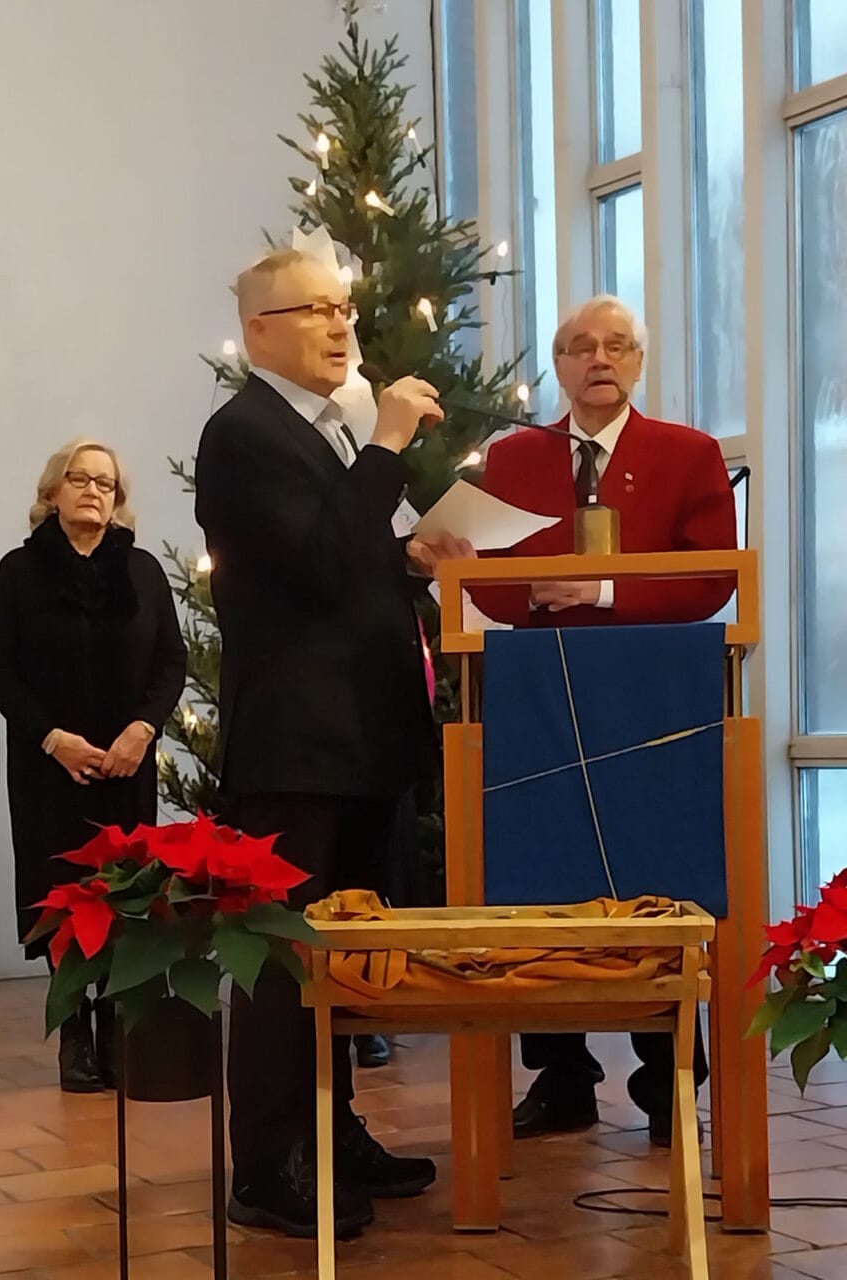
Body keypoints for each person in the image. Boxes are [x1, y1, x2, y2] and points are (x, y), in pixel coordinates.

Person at [195, 249, 457, 1240]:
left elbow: (348, 559)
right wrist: (386, 443)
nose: (342, 324)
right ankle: (268, 1165)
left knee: (345, 951)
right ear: (259, 330)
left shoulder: (326, 431)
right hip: (296, 744)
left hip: (360, 736)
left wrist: (410, 557)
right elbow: (310, 563)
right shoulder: (242, 434)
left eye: (345, 307)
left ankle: (333, 1131)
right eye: (316, 309)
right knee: (281, 958)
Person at [461, 295, 737, 1147]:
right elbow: (486, 580)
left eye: (618, 345)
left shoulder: (688, 454)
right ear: (560, 365)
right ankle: (561, 1075)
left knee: (655, 876)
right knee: (546, 875)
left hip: (655, 697)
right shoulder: (513, 458)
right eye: (581, 346)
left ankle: (669, 1081)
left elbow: (714, 578)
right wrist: (516, 588)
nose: (600, 359)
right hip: (538, 692)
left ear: (639, 363)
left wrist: (603, 590)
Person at [0, 440, 187, 1093]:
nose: (94, 490)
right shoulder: (18, 571)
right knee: (62, 899)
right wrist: (52, 739)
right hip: (49, 768)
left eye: (106, 482)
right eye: (80, 478)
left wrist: (142, 730)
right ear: (53, 492)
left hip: (127, 764)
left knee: (123, 897)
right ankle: (74, 1033)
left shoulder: (143, 572)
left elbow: (171, 661)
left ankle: (118, 1028)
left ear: (117, 498)